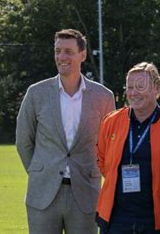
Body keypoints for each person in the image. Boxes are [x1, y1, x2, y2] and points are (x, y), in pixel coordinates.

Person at [16, 29, 115, 234]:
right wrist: (40, 171)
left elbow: (110, 144)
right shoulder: (36, 93)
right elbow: (24, 141)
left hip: (86, 195)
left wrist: (95, 174)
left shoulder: (104, 97)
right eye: (57, 51)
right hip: (43, 195)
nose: (61, 57)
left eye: (68, 51)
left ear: (83, 55)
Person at [95, 62, 160, 233]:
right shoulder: (111, 121)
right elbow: (102, 160)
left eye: (140, 87)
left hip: (156, 219)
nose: (133, 93)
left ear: (156, 88)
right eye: (129, 87)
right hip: (115, 218)